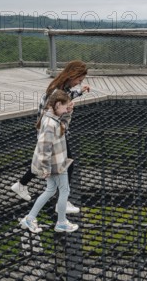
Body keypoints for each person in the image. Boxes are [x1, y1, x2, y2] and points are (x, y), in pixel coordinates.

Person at [11, 60, 90, 213]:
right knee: (67, 164)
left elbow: (65, 98)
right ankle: (62, 202)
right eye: (79, 81)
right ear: (72, 75)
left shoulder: (61, 87)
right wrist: (67, 112)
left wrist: (80, 91)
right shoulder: (56, 91)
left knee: (46, 160)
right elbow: (54, 112)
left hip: (51, 130)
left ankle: (21, 184)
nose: (78, 83)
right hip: (52, 132)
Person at [20, 89, 79, 233]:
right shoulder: (50, 123)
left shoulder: (52, 118)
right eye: (65, 107)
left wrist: (68, 112)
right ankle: (61, 222)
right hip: (56, 165)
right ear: (58, 104)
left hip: (56, 162)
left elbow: (63, 127)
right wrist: (45, 168)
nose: (66, 109)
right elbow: (44, 148)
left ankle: (30, 218)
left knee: (50, 190)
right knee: (65, 190)